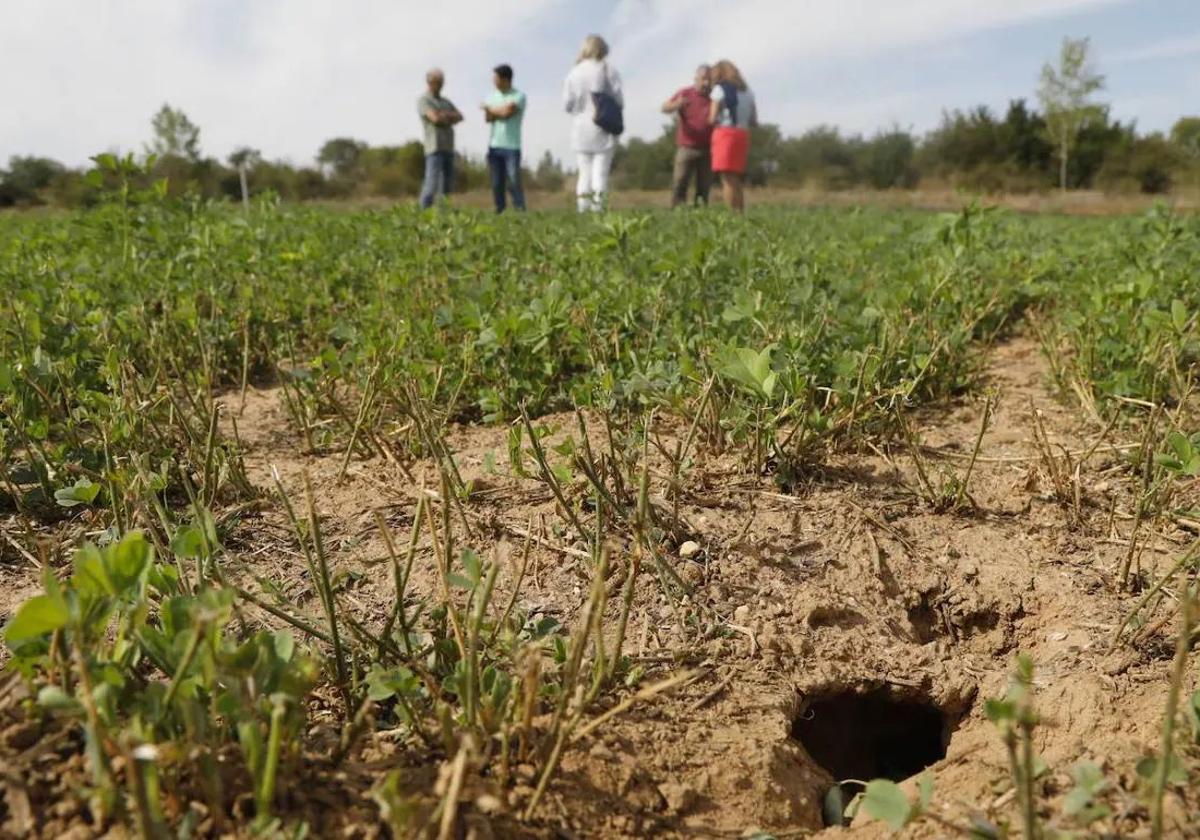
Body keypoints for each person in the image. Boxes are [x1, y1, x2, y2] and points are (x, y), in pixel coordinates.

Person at [563, 34, 623, 212]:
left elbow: (567, 104)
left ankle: (583, 209)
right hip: (603, 127)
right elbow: (619, 100)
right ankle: (599, 210)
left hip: (580, 128)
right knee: (600, 172)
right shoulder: (608, 70)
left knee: (584, 173)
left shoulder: (574, 72)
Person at [708, 60, 757, 212]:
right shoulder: (748, 92)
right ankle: (740, 212)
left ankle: (731, 214)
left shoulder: (719, 90)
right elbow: (754, 120)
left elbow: (712, 118)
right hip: (742, 134)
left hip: (725, 133)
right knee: (736, 178)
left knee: (727, 179)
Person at [661, 64, 713, 208]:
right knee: (680, 182)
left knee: (704, 186)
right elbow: (664, 107)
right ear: (696, 78)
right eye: (703, 79)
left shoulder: (715, 97)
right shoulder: (685, 93)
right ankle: (678, 212)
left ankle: (700, 215)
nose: (706, 83)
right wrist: (677, 104)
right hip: (686, 147)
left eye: (709, 80)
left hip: (707, 149)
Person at [482, 63, 527, 213]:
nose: (493, 81)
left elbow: (507, 113)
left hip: (512, 146)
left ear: (505, 79)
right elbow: (488, 118)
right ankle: (499, 210)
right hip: (494, 145)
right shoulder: (492, 96)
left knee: (513, 180)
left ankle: (520, 210)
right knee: (496, 182)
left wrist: (491, 110)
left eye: (496, 78)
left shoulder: (519, 96)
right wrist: (495, 111)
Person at [417, 68, 463, 209]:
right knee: (431, 184)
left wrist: (443, 115)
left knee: (446, 186)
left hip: (448, 148)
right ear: (429, 82)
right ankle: (423, 213)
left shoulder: (445, 101)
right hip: (434, 148)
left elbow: (460, 116)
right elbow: (435, 119)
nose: (440, 85)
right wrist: (448, 117)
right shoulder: (424, 100)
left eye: (441, 82)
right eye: (437, 82)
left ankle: (444, 215)